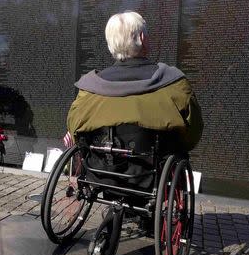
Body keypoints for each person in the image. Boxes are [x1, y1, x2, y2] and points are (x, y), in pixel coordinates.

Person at [67, 11, 203, 152]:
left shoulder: (88, 91)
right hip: (154, 169)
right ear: (143, 38)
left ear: (110, 44)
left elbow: (75, 131)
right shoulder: (175, 85)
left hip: (99, 169)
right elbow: (192, 134)